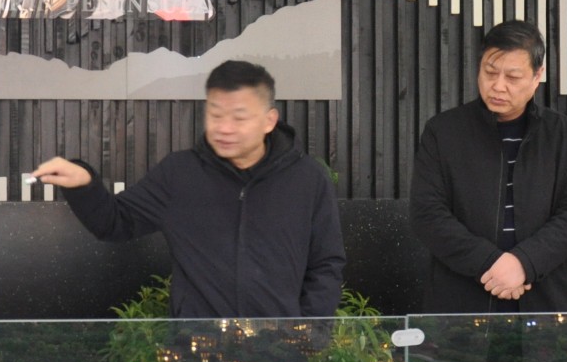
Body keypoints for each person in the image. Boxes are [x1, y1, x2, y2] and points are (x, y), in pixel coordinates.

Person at [30, 60, 344, 318]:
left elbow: (326, 263)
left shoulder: (308, 178)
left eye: (239, 117)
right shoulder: (180, 173)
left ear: (269, 120)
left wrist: (307, 333)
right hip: (195, 357)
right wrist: (85, 183)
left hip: (279, 355)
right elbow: (115, 222)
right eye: (215, 115)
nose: (224, 128)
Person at [409, 21, 567, 313]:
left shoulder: (564, 135)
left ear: (538, 76)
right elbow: (428, 213)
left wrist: (524, 263)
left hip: (544, 297)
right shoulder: (443, 132)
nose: (498, 86)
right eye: (490, 72)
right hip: (460, 298)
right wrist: (491, 263)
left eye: (512, 77)